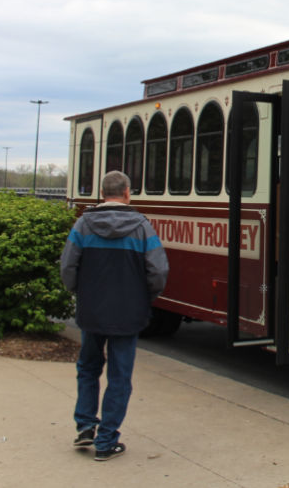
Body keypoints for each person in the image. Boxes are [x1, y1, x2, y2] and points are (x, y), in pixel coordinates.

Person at [60, 171, 169, 461]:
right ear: (127, 192)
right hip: (128, 313)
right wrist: (145, 298)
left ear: (102, 192)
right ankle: (106, 441)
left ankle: (85, 425)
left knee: (88, 367)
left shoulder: (83, 224)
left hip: (92, 311)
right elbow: (158, 271)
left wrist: (80, 293)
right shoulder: (143, 227)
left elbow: (67, 267)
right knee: (120, 377)